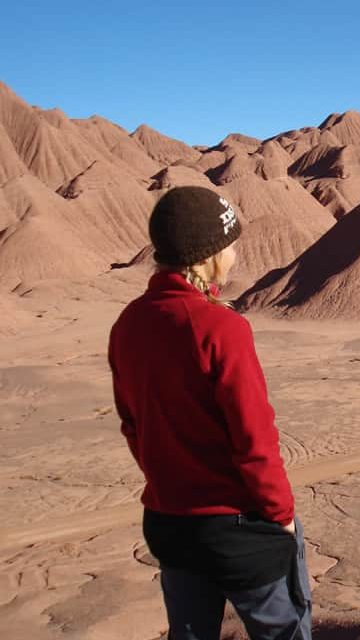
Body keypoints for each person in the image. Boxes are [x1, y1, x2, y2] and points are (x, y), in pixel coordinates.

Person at [107, 186, 312, 640]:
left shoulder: (129, 324)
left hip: (170, 524)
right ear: (207, 254)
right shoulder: (222, 329)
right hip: (237, 529)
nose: (236, 253)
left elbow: (133, 427)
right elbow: (255, 438)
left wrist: (171, 483)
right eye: (231, 244)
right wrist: (281, 515)